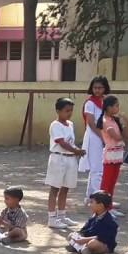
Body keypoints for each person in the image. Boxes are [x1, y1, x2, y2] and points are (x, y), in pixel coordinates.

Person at [46, 97, 87, 229]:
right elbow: (62, 143)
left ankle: (62, 216)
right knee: (55, 188)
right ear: (58, 111)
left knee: (65, 188)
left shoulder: (70, 124)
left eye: (70, 110)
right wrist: (76, 151)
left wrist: (76, 150)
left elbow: (69, 141)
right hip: (58, 158)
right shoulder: (55, 125)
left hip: (70, 158)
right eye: (66, 110)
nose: (69, 113)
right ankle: (52, 218)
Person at [96, 95, 128, 209]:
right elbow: (117, 137)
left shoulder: (114, 120)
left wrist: (126, 123)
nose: (118, 108)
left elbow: (126, 136)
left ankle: (109, 206)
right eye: (116, 106)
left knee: (112, 183)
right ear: (109, 107)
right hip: (110, 155)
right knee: (106, 183)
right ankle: (102, 207)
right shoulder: (106, 121)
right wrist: (124, 123)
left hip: (117, 153)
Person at [79, 76, 109, 203]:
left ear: (105, 88)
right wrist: (102, 137)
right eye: (95, 88)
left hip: (103, 135)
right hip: (94, 136)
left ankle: (90, 196)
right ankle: (99, 199)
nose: (97, 90)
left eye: (100, 88)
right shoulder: (90, 103)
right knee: (97, 169)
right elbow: (91, 123)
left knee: (98, 168)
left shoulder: (105, 101)